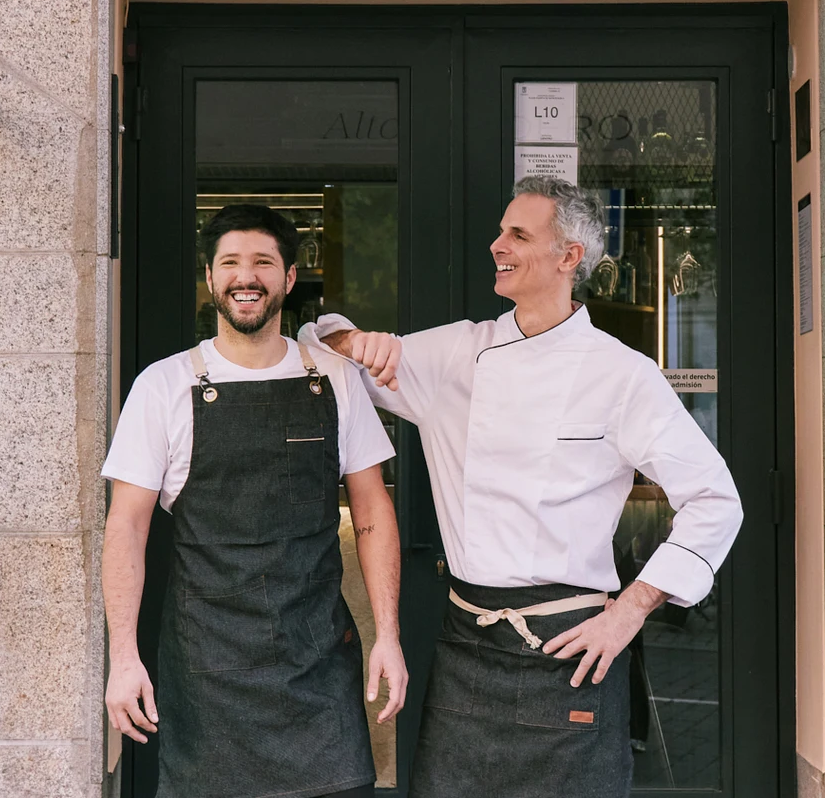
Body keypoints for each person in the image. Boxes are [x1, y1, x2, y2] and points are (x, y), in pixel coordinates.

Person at [306, 175, 742, 798]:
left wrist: (628, 614)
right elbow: (325, 354)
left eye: (517, 233)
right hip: (467, 647)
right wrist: (354, 340)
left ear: (569, 257)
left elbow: (715, 500)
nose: (496, 244)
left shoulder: (622, 374)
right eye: (500, 229)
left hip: (571, 650)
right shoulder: (460, 352)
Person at [101, 204, 407, 798]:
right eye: (231, 263)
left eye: (264, 262)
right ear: (210, 278)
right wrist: (123, 657)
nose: (248, 276)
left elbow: (371, 513)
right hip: (207, 668)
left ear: (289, 279)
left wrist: (388, 636)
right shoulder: (164, 385)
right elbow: (126, 528)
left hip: (316, 663)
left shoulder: (335, 377)